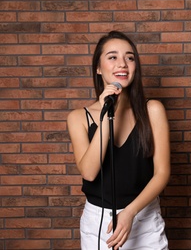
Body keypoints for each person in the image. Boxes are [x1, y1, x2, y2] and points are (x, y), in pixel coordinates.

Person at [67, 31, 170, 250]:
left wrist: (130, 212)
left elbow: (162, 173)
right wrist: (106, 114)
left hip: (144, 218)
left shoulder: (153, 110)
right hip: (98, 224)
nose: (122, 64)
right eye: (112, 57)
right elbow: (89, 172)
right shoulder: (78, 118)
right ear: (98, 67)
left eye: (130, 57)